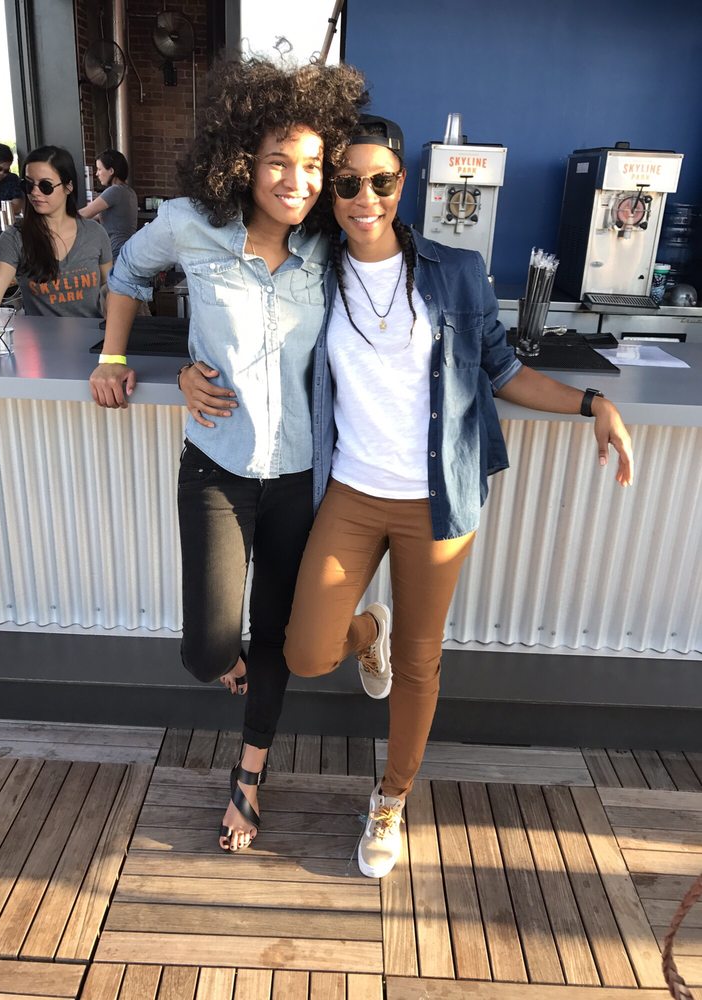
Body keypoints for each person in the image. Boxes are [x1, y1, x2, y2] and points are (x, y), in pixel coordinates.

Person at [281, 115, 634, 879]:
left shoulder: (456, 271)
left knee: (419, 663)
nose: (364, 197)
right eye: (347, 183)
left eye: (381, 181)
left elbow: (503, 371)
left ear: (402, 183)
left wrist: (591, 403)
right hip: (350, 491)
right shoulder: (309, 270)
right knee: (306, 650)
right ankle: (365, 630)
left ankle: (391, 798)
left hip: (437, 499)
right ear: (330, 192)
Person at [88, 59, 366, 853]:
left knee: (274, 635)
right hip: (217, 466)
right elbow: (128, 272)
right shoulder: (190, 223)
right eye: (279, 161)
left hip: (300, 476)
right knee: (209, 648)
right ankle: (245, 675)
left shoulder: (330, 242)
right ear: (243, 159)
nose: (297, 182)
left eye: (313, 165)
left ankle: (248, 774)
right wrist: (121, 359)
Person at [0, 145, 112, 317]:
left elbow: (108, 286)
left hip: (93, 333)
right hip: (41, 334)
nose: (35, 193)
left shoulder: (95, 233)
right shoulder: (15, 238)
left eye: (45, 186)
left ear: (68, 186)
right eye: (29, 185)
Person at [79, 149, 138, 259]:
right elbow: (102, 216)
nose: (97, 174)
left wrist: (57, 218)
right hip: (126, 252)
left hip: (116, 253)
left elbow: (85, 213)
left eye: (99, 169)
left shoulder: (115, 191)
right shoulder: (129, 191)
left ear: (111, 171)